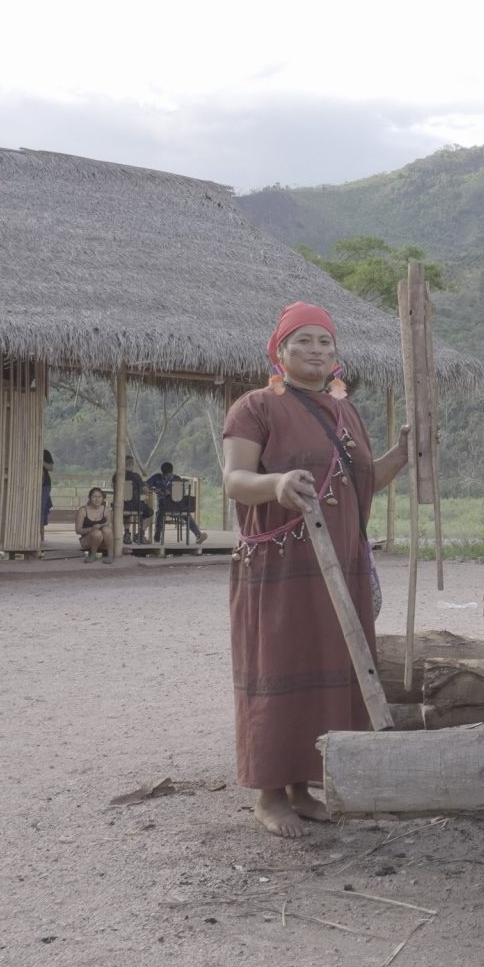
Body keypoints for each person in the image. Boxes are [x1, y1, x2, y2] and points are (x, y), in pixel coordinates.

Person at [222, 301, 408, 838]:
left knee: (329, 666)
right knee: (278, 663)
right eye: (301, 341)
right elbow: (235, 478)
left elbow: (362, 480)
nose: (315, 351)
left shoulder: (344, 412)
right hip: (280, 565)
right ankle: (268, 793)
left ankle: (303, 786)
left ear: (336, 355)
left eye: (324, 342)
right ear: (279, 351)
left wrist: (404, 452)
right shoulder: (254, 407)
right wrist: (276, 485)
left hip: (339, 562)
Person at [147, 461, 207, 544]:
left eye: (168, 475)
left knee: (186, 514)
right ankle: (157, 536)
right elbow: (145, 485)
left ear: (171, 472)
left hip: (177, 505)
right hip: (164, 505)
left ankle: (198, 535)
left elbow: (181, 494)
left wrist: (170, 492)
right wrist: (153, 489)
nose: (166, 477)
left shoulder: (177, 479)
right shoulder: (156, 477)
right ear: (162, 473)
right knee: (160, 513)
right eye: (165, 475)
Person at [74, 488, 111, 563]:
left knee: (107, 530)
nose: (97, 499)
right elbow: (78, 530)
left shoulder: (106, 509)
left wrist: (101, 526)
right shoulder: (83, 510)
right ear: (89, 498)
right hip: (88, 540)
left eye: (99, 497)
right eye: (94, 497)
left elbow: (110, 524)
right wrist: (92, 529)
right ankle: (93, 555)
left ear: (103, 498)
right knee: (97, 533)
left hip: (104, 540)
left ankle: (110, 555)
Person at [122, 456, 151, 543]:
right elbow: (145, 491)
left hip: (121, 505)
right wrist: (146, 486)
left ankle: (127, 534)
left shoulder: (116, 476)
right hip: (135, 506)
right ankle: (140, 534)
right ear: (132, 464)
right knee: (150, 512)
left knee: (126, 511)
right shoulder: (136, 476)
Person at [41, 449, 55, 527]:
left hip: (45, 485)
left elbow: (51, 467)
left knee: (42, 508)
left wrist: (41, 461)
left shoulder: (45, 452)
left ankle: (40, 529)